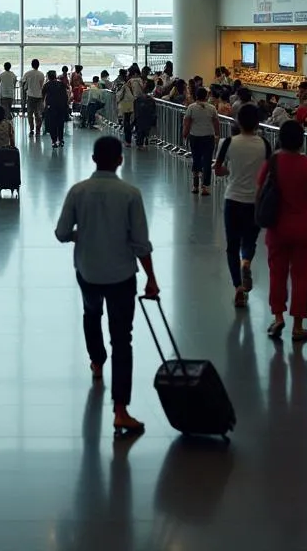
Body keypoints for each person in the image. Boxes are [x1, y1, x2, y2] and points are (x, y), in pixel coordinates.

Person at [54, 135, 159, 437]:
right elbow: (141, 244)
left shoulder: (78, 192)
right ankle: (121, 410)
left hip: (87, 270)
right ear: (120, 160)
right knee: (122, 339)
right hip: (121, 275)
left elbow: (62, 233)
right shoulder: (130, 194)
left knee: (91, 313)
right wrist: (151, 278)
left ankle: (96, 361)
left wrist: (82, 234)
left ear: (92, 159)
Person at [257, 120, 307, 343]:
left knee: (276, 274)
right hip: (304, 229)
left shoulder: (273, 163)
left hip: (277, 229)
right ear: (301, 141)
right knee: (301, 277)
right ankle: (298, 326)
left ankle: (278, 317)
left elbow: (259, 190)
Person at [214, 103, 270, 308]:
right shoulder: (264, 144)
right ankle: (246, 262)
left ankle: (238, 287)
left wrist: (232, 172)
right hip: (255, 200)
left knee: (232, 245)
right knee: (250, 241)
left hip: (233, 199)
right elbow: (269, 172)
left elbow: (217, 170)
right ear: (257, 123)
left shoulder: (228, 142)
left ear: (237, 121)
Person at [182, 86, 218, 195]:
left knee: (196, 159)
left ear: (196, 96)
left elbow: (187, 123)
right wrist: (217, 134)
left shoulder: (191, 108)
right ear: (206, 96)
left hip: (195, 136)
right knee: (207, 161)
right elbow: (216, 122)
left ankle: (195, 185)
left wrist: (185, 134)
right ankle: (205, 187)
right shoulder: (212, 108)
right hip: (208, 137)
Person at [116, 67, 145, 147]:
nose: (128, 75)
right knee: (138, 122)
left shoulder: (131, 82)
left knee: (127, 122)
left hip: (128, 103)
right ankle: (140, 142)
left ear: (134, 73)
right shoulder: (141, 81)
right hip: (139, 103)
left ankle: (128, 141)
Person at [42, 69, 69, 148]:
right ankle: (61, 140)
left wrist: (44, 107)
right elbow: (67, 91)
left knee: (52, 124)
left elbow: (43, 95)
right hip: (61, 106)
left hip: (51, 107)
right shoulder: (61, 83)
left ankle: (54, 141)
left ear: (48, 77)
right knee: (60, 123)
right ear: (55, 76)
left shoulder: (47, 85)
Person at [21, 59, 46, 138]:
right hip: (39, 96)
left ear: (32, 65)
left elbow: (22, 82)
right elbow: (42, 86)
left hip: (30, 96)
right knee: (38, 114)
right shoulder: (41, 74)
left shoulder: (28, 74)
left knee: (30, 113)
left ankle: (31, 129)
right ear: (38, 65)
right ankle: (38, 129)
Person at [132, 80, 157, 149]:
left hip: (141, 114)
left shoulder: (141, 97)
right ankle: (143, 142)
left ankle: (140, 143)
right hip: (146, 115)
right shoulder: (150, 98)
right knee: (145, 128)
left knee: (141, 128)